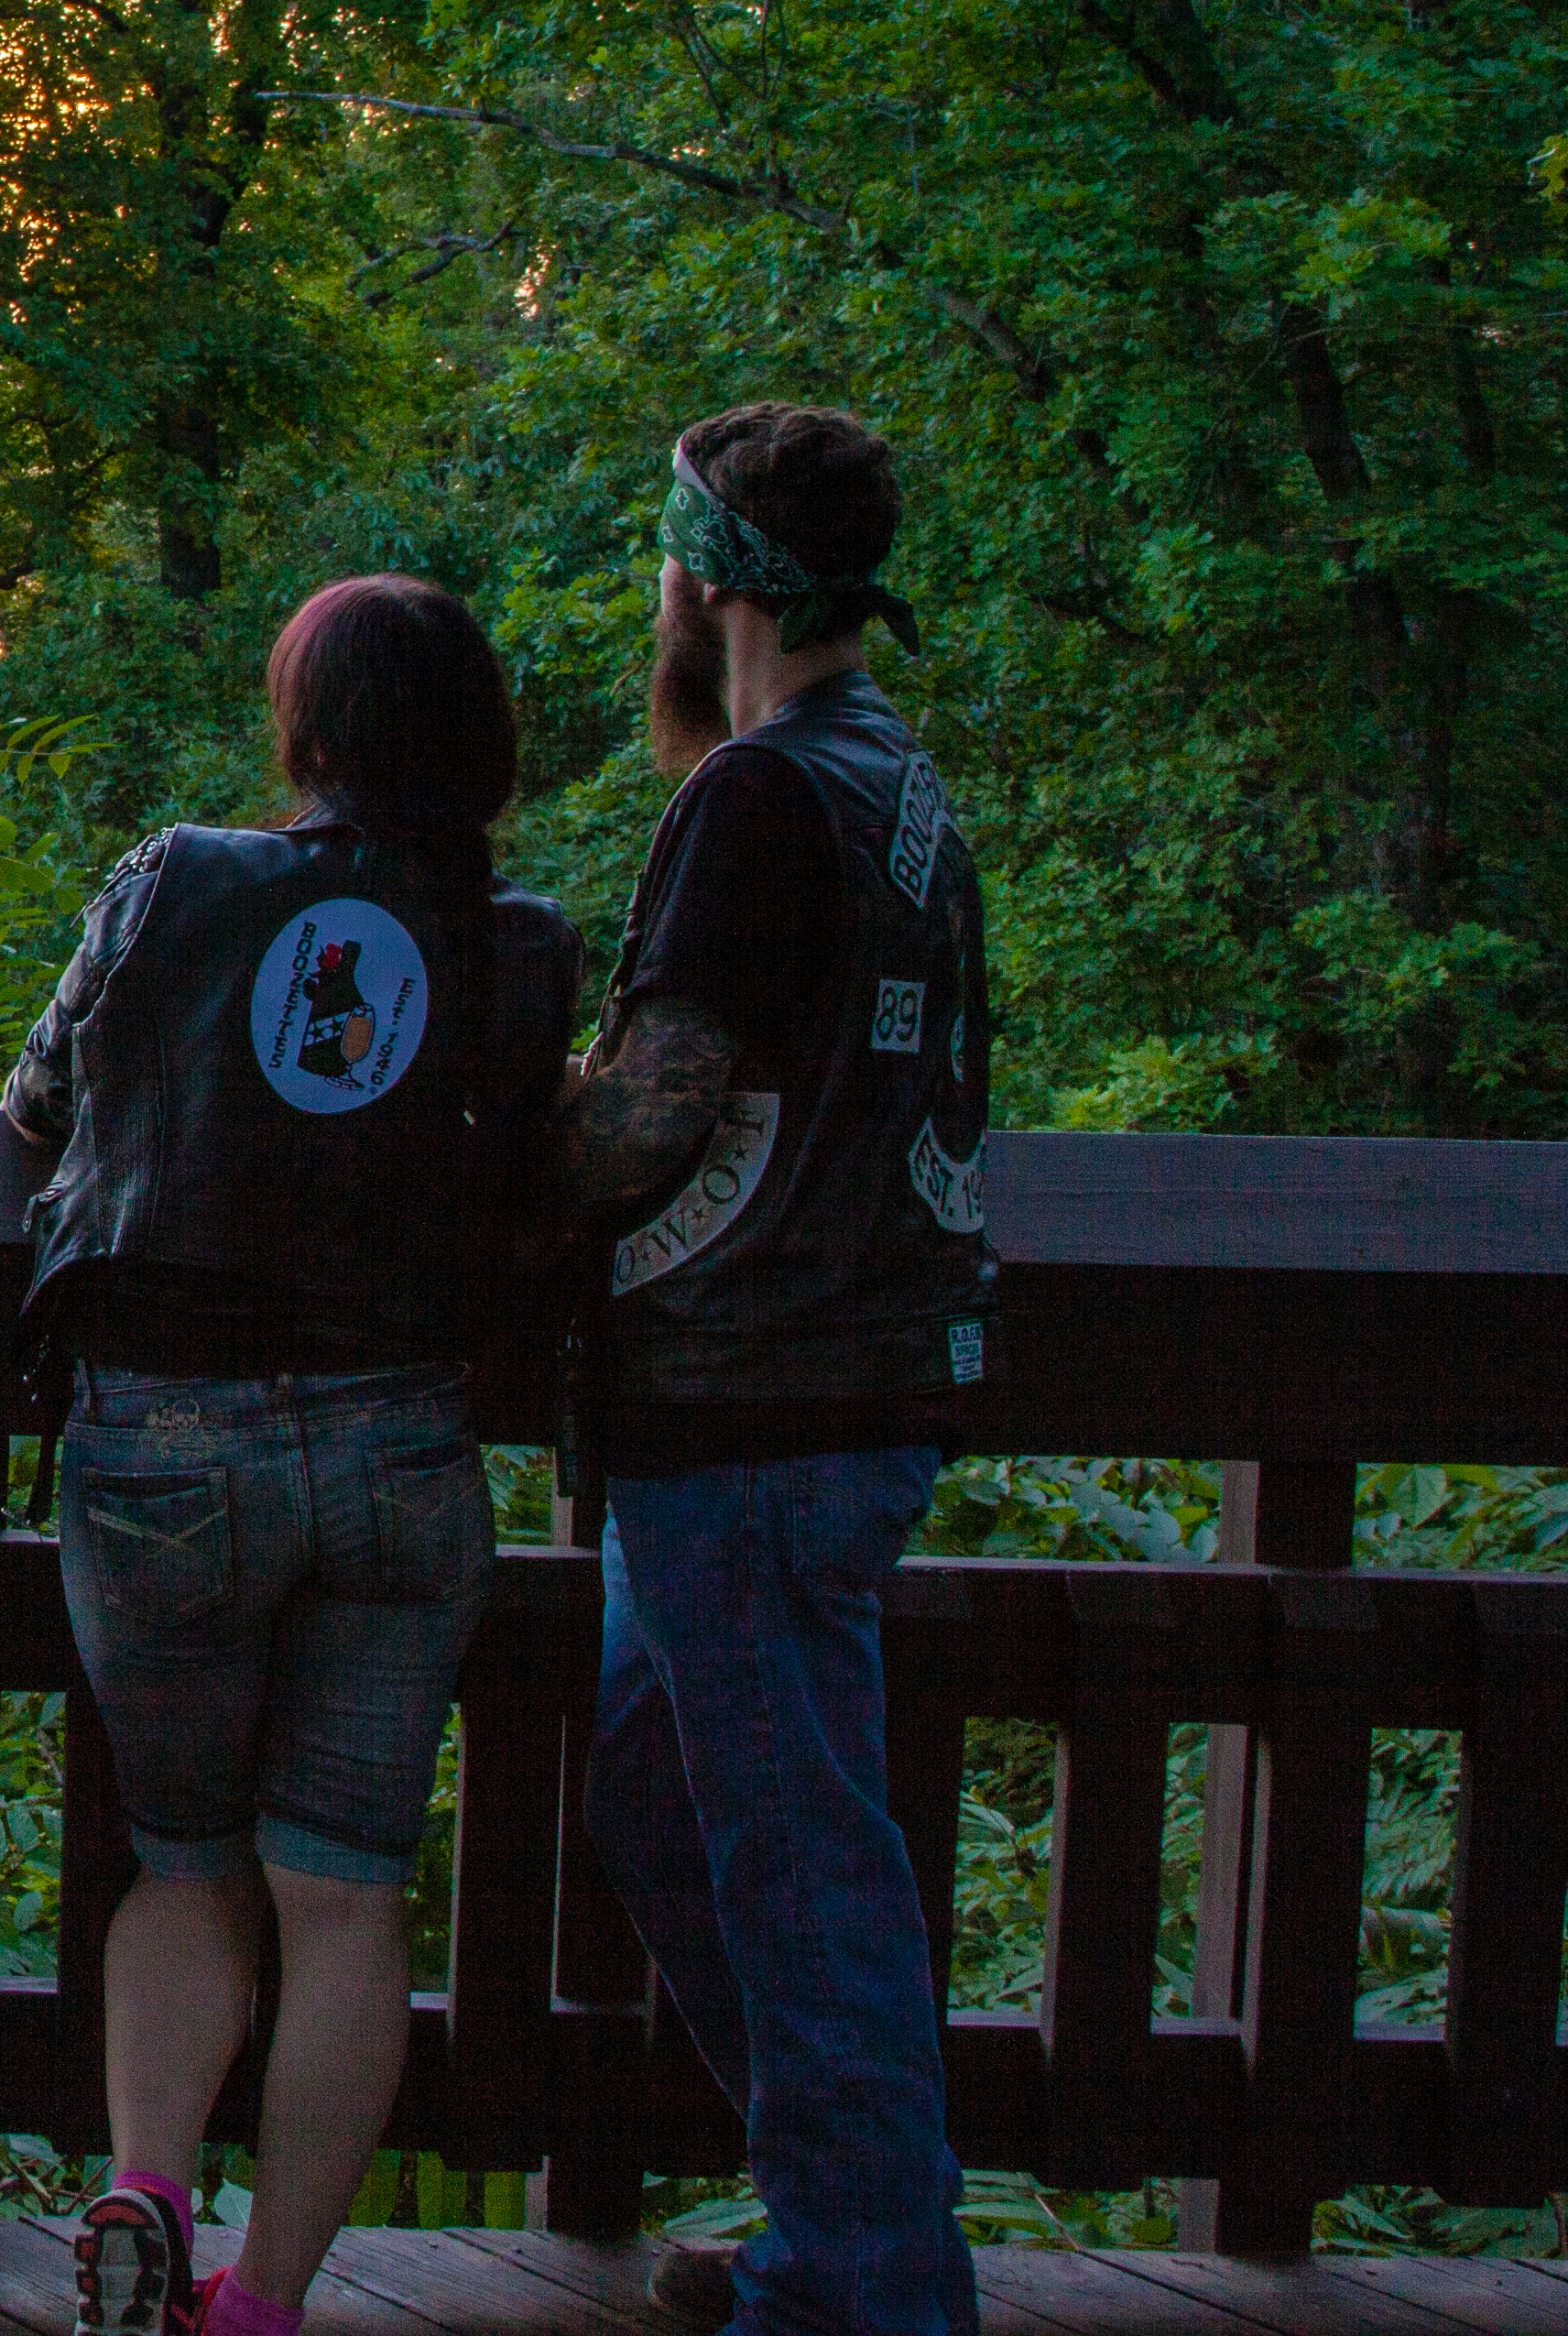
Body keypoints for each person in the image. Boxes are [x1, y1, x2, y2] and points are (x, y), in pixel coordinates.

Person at [3, 575, 583, 2336]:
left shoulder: (178, 881)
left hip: (165, 1448)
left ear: (306, 739)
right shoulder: (523, 945)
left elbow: (34, 1108)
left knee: (185, 1861)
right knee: (343, 1896)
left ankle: (146, 2191)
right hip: (406, 1446)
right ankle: (259, 2305)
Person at [553, 404, 998, 2336]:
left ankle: (877, 2292)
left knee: (800, 1866)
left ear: (706, 581)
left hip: (753, 1405)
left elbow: (645, 1125)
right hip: (843, 1382)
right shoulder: (889, 778)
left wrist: (472, 1157)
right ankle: (840, 2218)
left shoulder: (755, 798)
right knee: (673, 1804)